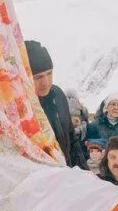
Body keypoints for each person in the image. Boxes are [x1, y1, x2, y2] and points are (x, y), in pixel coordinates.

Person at [26, 40, 84, 168]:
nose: (45, 82)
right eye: (38, 77)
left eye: (49, 73)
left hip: (66, 171)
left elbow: (71, 138)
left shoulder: (58, 94)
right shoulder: (22, 106)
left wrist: (84, 171)